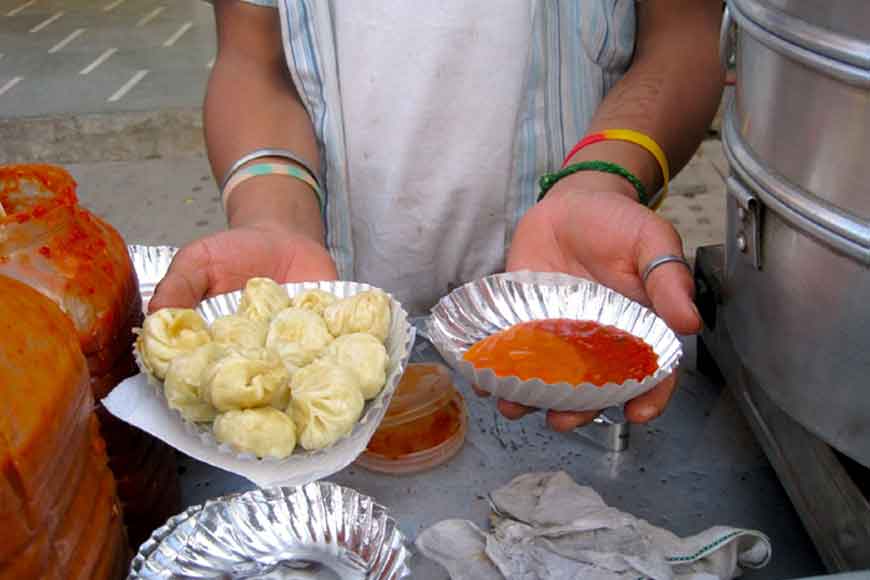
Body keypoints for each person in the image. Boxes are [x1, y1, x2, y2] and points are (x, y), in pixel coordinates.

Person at [151, 0, 724, 432]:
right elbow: (255, 58)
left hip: (572, 302)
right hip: (330, 323)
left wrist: (602, 180)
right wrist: (273, 218)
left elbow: (681, 34)